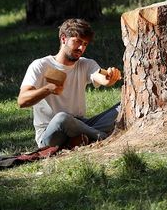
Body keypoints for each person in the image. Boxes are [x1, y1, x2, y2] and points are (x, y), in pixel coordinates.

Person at [18, 18, 122, 148]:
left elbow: (99, 76)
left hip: (82, 125)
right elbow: (22, 101)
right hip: (52, 133)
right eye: (77, 41)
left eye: (85, 44)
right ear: (63, 39)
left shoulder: (86, 64)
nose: (81, 48)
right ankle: (101, 137)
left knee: (123, 105)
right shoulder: (40, 65)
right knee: (62, 118)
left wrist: (109, 79)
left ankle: (82, 138)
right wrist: (48, 89)